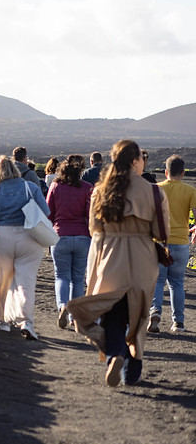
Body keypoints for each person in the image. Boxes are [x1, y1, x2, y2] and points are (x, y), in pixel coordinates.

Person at [67, 140, 169, 387]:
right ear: (135, 161)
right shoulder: (154, 192)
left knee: (112, 314)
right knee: (138, 316)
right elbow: (161, 232)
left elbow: (95, 229)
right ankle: (132, 371)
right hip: (142, 257)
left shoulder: (101, 190)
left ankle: (115, 355)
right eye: (142, 158)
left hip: (110, 255)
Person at [0, 155, 49, 340]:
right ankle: (26, 321)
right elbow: (46, 211)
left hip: (3, 237)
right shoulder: (30, 188)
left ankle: (4, 320)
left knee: (2, 281)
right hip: (29, 237)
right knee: (26, 281)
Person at [149, 155, 196, 333]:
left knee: (157, 281)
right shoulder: (190, 191)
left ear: (166, 171)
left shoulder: (155, 189)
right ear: (183, 173)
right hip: (181, 242)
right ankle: (178, 322)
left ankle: (155, 312)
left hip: (159, 243)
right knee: (177, 283)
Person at [46, 155, 92, 329]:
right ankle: (75, 315)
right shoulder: (87, 188)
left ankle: (62, 305)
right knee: (78, 279)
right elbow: (90, 215)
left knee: (61, 276)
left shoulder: (55, 186)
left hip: (60, 236)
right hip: (82, 237)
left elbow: (49, 213)